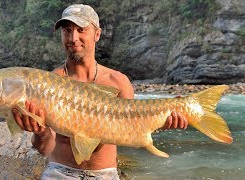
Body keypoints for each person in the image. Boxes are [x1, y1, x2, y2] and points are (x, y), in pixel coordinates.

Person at [13, 4, 188, 179]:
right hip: (59, 172)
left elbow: (133, 129)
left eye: (81, 30)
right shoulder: (48, 84)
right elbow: (45, 149)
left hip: (104, 174)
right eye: (67, 30)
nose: (73, 38)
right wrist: (40, 133)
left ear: (97, 34)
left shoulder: (118, 82)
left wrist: (163, 120)